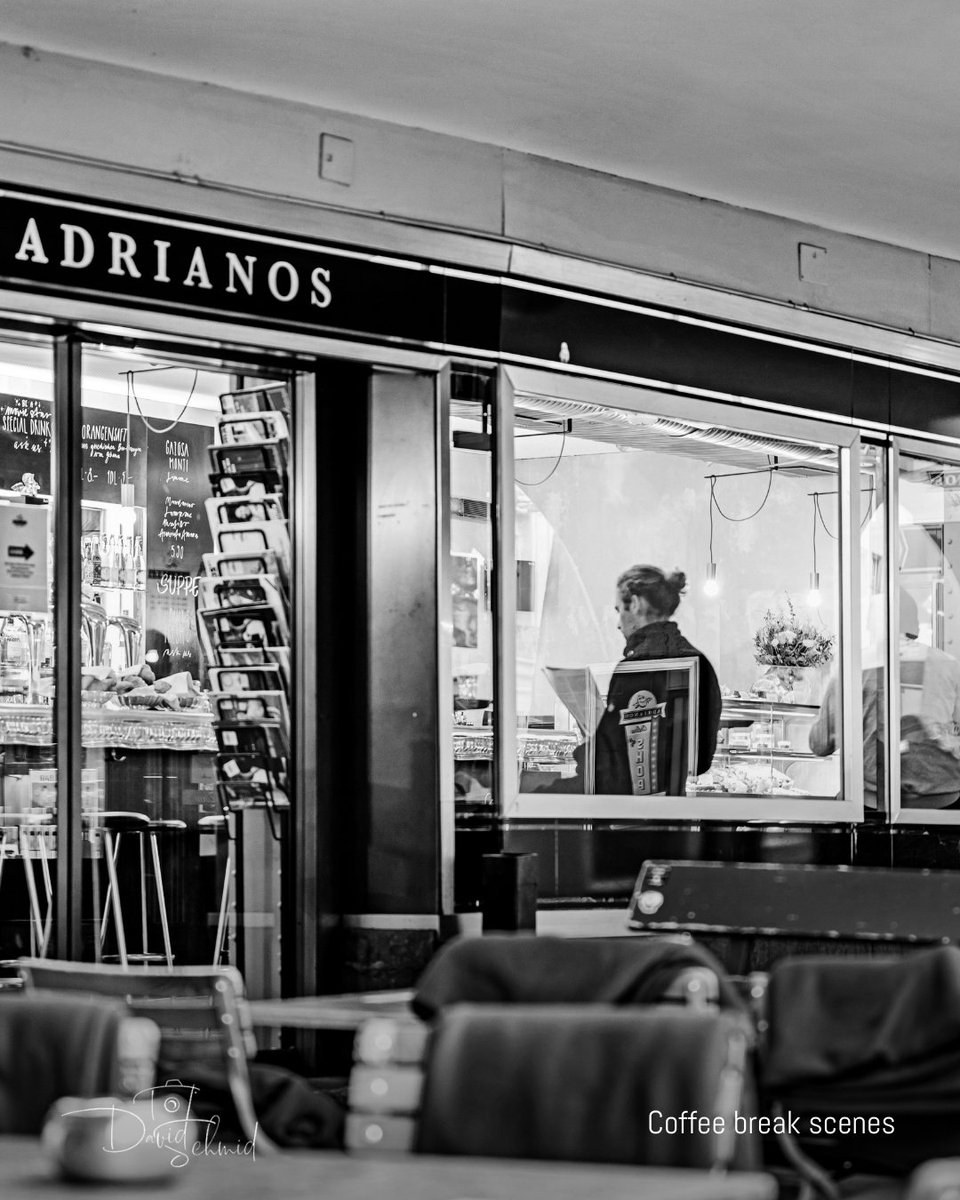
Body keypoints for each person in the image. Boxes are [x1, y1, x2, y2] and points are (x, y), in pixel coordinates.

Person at [555, 565, 721, 795]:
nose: (618, 623)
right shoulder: (701, 664)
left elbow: (612, 767)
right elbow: (701, 761)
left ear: (634, 604)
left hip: (629, 820)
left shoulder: (635, 669)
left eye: (618, 610)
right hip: (675, 817)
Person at [810, 590, 960, 808]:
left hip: (875, 803)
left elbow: (820, 744)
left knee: (837, 810)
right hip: (945, 803)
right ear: (915, 628)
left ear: (871, 626)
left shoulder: (851, 667)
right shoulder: (949, 664)